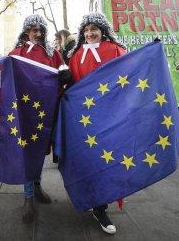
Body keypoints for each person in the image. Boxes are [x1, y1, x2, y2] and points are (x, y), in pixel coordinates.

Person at [67, 12, 127, 234]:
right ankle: (88, 197)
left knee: (105, 161)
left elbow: (127, 76)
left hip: (108, 117)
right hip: (83, 120)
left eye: (94, 29)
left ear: (103, 30)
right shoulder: (75, 56)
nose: (90, 33)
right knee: (87, 160)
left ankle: (100, 207)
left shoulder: (115, 50)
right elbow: (71, 87)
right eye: (86, 30)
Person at [8, 14, 64, 223]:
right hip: (24, 113)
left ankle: (37, 187)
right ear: (26, 31)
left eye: (41, 30)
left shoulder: (54, 54)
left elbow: (62, 75)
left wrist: (65, 78)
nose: (38, 33)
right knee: (26, 153)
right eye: (33, 29)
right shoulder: (15, 54)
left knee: (40, 151)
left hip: (45, 112)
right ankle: (28, 197)